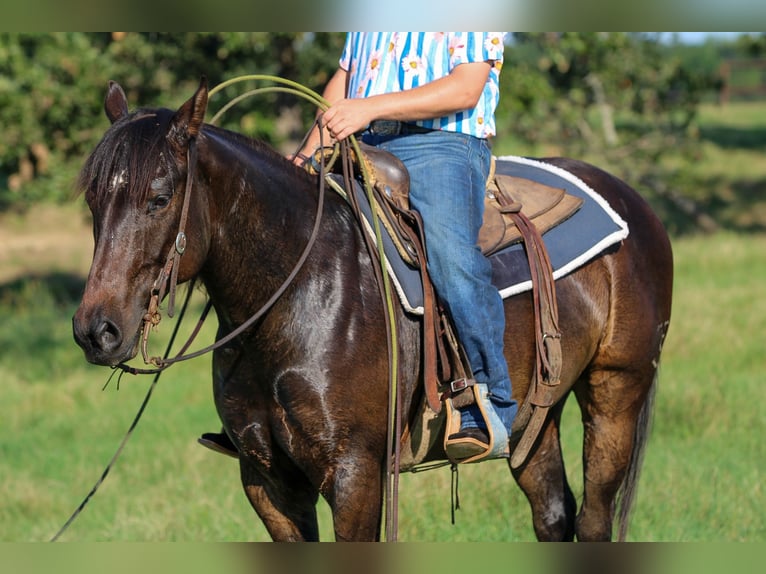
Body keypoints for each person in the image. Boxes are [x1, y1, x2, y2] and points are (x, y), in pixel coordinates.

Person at [200, 32, 517, 461]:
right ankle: (253, 406)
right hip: (360, 143)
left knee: (451, 256)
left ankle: (490, 399)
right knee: (275, 236)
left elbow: (465, 87)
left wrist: (368, 108)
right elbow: (345, 81)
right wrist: (305, 156)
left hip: (442, 145)